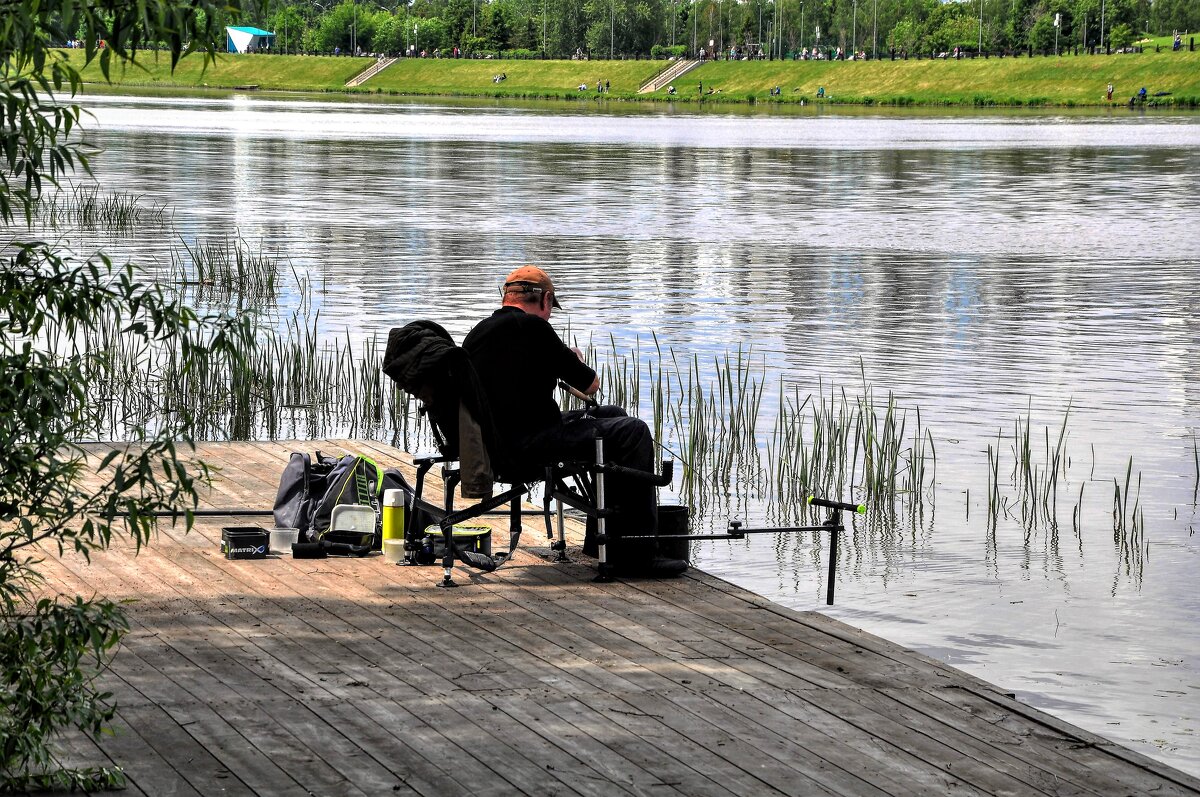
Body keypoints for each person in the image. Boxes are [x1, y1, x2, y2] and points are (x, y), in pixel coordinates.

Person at [462, 266, 687, 578]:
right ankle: (638, 554)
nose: (549, 315)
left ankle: (600, 541)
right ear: (545, 299)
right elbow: (590, 384)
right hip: (529, 443)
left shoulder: (478, 334)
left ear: (507, 297)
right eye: (550, 309)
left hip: (498, 441)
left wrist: (548, 361)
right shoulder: (534, 329)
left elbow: (510, 378)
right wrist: (574, 359)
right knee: (633, 431)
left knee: (612, 415)